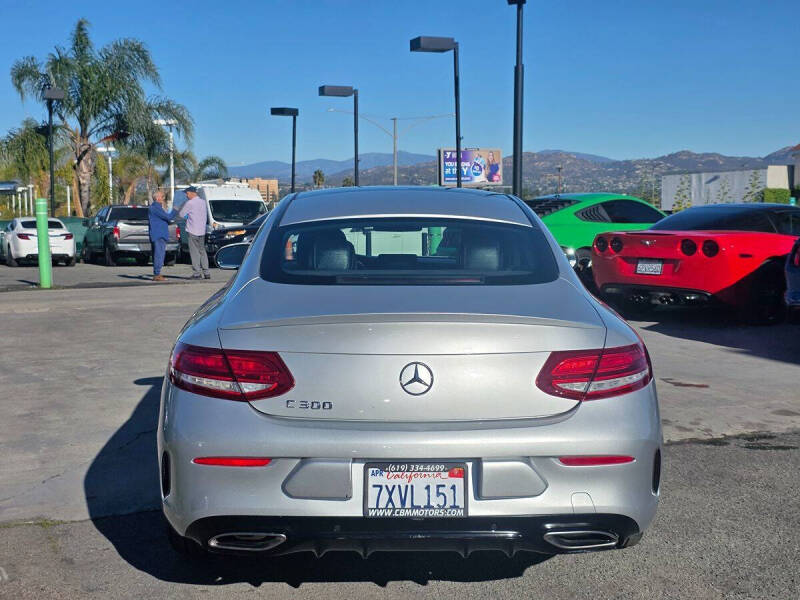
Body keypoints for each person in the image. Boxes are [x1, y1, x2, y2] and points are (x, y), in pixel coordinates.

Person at [178, 186, 210, 279]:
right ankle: (206, 272)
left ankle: (197, 273)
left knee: (194, 252)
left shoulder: (190, 203)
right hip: (202, 230)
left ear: (192, 193)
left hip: (193, 230)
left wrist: (188, 217)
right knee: (202, 251)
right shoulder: (203, 202)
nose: (187, 196)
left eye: (187, 193)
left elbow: (181, 214)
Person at [148, 190, 177, 282]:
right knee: (159, 254)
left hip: (159, 234)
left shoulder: (157, 208)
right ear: (157, 198)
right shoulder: (155, 208)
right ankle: (157, 274)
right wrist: (175, 210)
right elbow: (168, 217)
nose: (163, 198)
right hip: (158, 234)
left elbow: (165, 219)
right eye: (162, 197)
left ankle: (157, 273)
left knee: (159, 254)